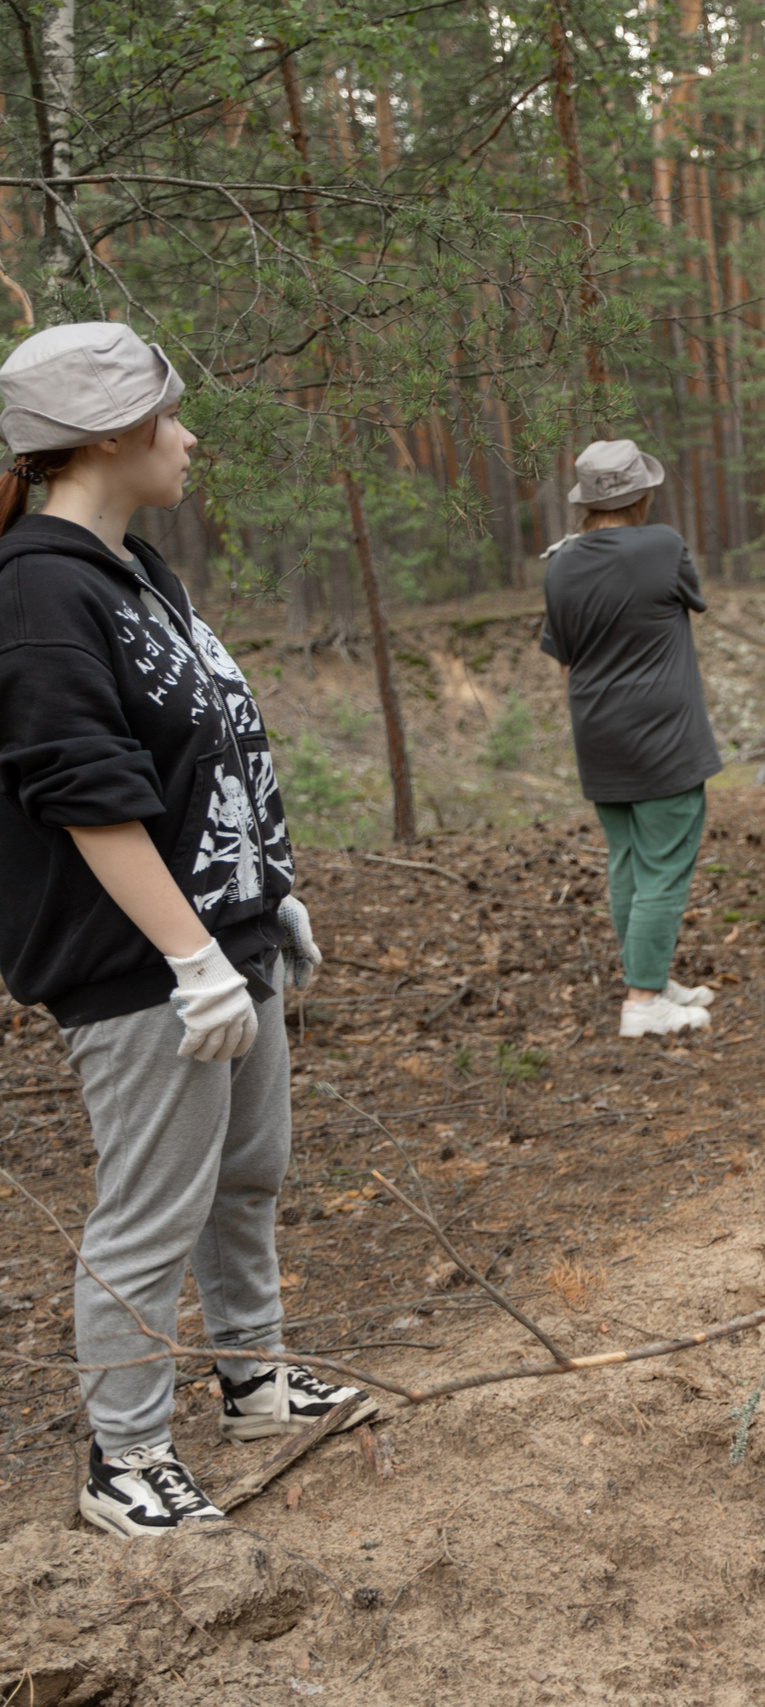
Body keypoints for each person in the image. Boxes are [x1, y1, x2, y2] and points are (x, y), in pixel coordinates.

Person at [0, 322, 374, 1539]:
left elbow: (207, 748)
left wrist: (265, 893)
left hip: (223, 933)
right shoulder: (37, 588)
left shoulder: (137, 569)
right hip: (142, 965)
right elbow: (83, 789)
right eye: (172, 415)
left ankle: (256, 1378)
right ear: (108, 432)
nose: (190, 437)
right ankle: (128, 1453)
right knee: (151, 1207)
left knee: (247, 1174)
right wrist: (191, 958)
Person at [540, 439, 724, 1038]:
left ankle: (649, 975)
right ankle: (644, 1001)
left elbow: (564, 660)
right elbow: (694, 601)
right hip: (663, 734)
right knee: (665, 865)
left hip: (598, 734)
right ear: (641, 493)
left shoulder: (560, 562)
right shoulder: (663, 546)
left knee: (627, 862)